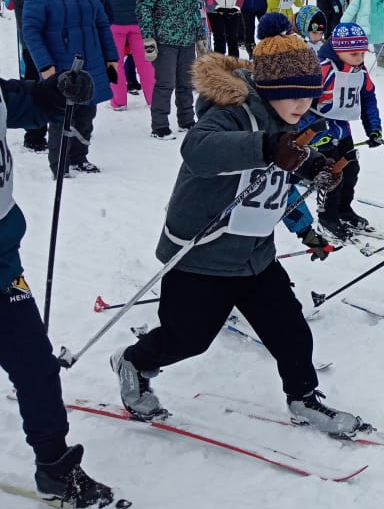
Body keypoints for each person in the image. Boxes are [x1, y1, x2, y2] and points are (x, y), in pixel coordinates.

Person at [109, 26, 362, 436]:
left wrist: (312, 167)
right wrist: (265, 148)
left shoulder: (292, 120)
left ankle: (303, 398)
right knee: (188, 338)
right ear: (267, 88)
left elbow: (275, 183)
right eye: (293, 93)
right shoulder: (231, 114)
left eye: (310, 92)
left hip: (255, 255)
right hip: (202, 256)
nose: (303, 103)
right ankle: (134, 362)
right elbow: (197, 150)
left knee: (291, 331)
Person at [0, 65, 122, 509]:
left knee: (36, 367)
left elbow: (31, 103)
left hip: (1, 264)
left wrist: (58, 92)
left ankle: (55, 466)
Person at [22, 0, 118, 178]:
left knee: (87, 115)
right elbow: (31, 31)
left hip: (91, 62)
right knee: (62, 116)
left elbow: (102, 25)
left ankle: (79, 157)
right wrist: (45, 65)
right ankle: (60, 164)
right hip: (61, 65)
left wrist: (111, 58)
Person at [301, 21, 384, 243]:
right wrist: (310, 132)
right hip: (321, 134)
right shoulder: (324, 69)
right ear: (339, 50)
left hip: (343, 132)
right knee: (332, 176)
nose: (360, 58)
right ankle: (327, 217)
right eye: (354, 53)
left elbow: (368, 98)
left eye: (362, 53)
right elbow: (302, 104)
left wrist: (374, 129)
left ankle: (344, 211)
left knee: (351, 171)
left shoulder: (360, 71)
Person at [136, 0, 207, 139]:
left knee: (185, 83)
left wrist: (199, 37)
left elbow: (194, 10)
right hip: (164, 40)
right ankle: (159, 125)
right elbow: (144, 9)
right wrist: (148, 37)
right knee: (166, 83)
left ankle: (186, 120)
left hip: (186, 40)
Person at [9, 0, 58, 153]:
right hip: (34, 32)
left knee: (58, 78)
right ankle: (35, 133)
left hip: (59, 30)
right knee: (35, 77)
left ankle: (59, 125)